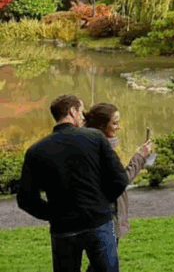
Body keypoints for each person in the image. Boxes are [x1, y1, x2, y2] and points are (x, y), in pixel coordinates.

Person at [17, 94, 129, 272]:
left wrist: (53, 213)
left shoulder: (36, 151)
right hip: (98, 222)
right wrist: (101, 203)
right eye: (81, 111)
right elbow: (120, 179)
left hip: (63, 228)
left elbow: (25, 199)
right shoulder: (95, 138)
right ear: (72, 111)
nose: (83, 116)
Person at [83, 103, 154, 243]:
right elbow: (122, 180)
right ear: (102, 126)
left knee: (102, 263)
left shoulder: (88, 145)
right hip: (106, 219)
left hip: (98, 218)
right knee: (104, 263)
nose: (119, 127)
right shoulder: (102, 150)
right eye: (115, 123)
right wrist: (140, 156)